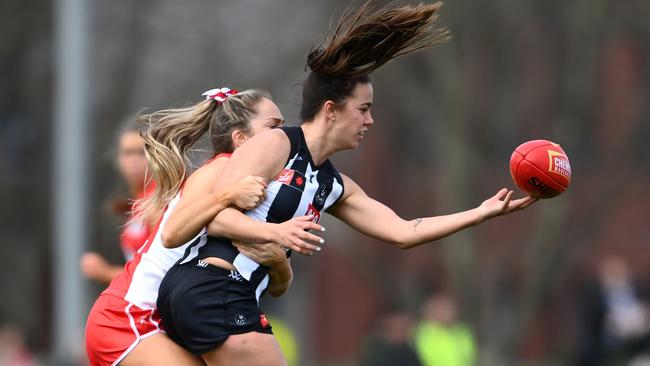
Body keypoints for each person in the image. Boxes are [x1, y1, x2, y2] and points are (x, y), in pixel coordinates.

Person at [157, 2, 537, 366]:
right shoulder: (276, 144)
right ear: (330, 110)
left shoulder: (335, 185)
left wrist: (481, 213)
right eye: (364, 109)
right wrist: (277, 233)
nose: (370, 121)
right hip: (212, 284)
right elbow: (215, 217)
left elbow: (405, 231)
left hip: (215, 295)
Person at [85, 88, 306, 366]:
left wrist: (280, 264)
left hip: (166, 321)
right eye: (273, 127)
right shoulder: (222, 170)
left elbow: (277, 286)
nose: (283, 135)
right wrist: (226, 196)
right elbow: (171, 234)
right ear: (240, 138)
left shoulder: (263, 189)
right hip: (129, 319)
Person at [80, 122, 153, 284]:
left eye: (142, 152)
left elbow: (157, 273)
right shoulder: (135, 201)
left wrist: (106, 272)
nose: (134, 160)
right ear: (118, 158)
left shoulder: (158, 200)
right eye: (127, 152)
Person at [413, 293, 475, 366]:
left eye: (449, 307)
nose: (446, 311)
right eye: (440, 307)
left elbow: (470, 357)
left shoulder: (463, 331)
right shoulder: (422, 334)